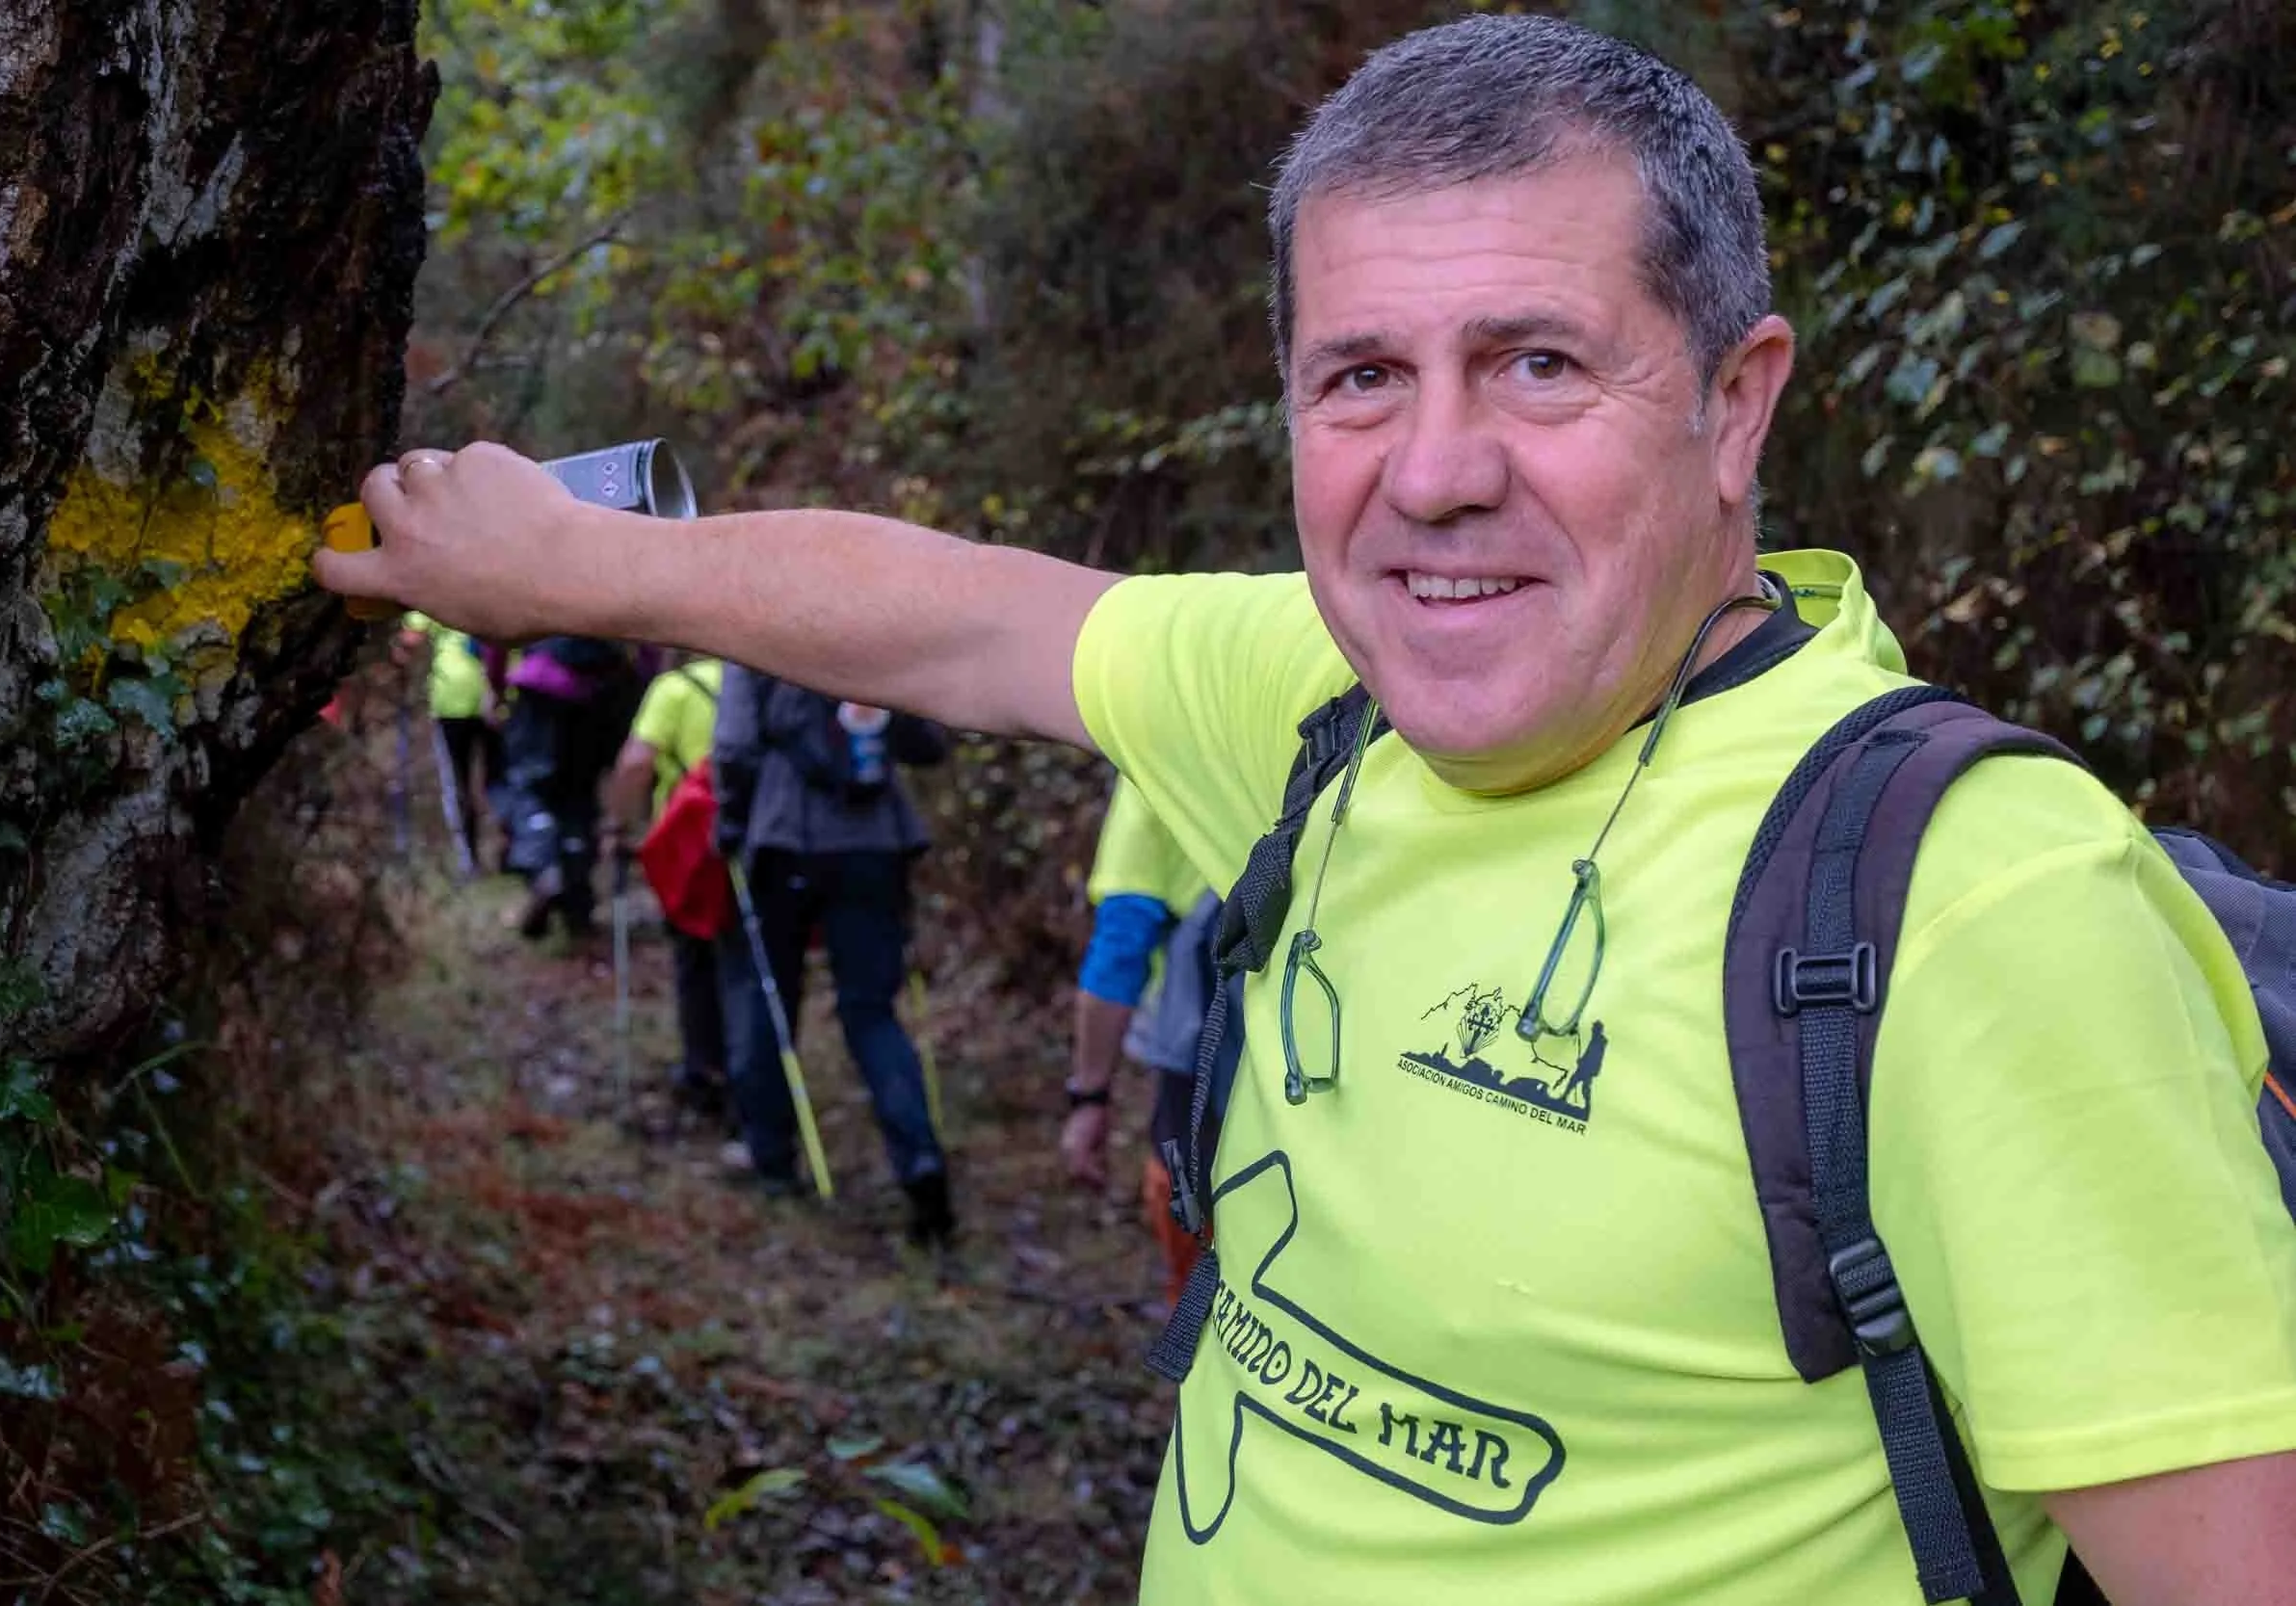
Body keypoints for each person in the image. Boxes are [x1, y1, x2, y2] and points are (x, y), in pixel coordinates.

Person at [320, 13, 2296, 1600]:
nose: (1432, 471)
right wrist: (574, 565)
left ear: (1735, 399)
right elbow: (971, 615)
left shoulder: (1970, 907)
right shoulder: (1334, 693)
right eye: (1359, 376)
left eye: (1535, 363)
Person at [711, 668, 956, 1245]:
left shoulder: (754, 632)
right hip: (875, 841)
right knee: (871, 1011)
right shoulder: (875, 632)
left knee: (769, 997)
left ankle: (772, 1160)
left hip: (784, 836)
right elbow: (927, 741)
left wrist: (731, 818)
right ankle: (919, 1157)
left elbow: (734, 745)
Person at [1065, 776, 1234, 1306]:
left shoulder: (1157, 761)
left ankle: (1199, 1325)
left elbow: (1122, 944)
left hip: (1205, 1024)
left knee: (1185, 1179)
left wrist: (1089, 1096)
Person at [606, 654, 731, 1122]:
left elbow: (637, 762)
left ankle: (704, 1069)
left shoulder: (674, 689)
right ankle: (749, 1074)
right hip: (756, 833)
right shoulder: (759, 679)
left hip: (688, 842)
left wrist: (619, 823)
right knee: (744, 957)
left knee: (694, 957)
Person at [499, 635, 641, 941]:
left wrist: (496, 689)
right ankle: (577, 898)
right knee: (580, 794)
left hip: (543, 687)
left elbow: (496, 638)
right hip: (602, 693)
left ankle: (544, 868)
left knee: (532, 787)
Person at [398, 610, 505, 875]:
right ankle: (510, 851)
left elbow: (410, 639)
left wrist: (400, 658)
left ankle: (469, 860)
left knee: (456, 782)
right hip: (495, 697)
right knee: (500, 779)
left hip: (451, 699)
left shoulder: (435, 591)